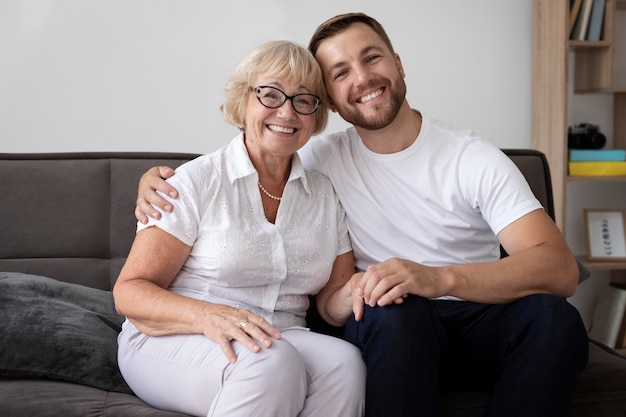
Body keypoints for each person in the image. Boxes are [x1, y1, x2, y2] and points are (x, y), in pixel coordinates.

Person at [134, 13, 589, 417]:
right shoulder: (315, 159)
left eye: (372, 59)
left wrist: (439, 278)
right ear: (330, 99)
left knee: (555, 319)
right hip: (390, 330)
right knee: (397, 311)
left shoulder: (472, 158)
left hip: (472, 322)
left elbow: (559, 268)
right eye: (341, 72)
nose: (363, 78)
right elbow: (249, 154)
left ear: (397, 63)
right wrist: (156, 180)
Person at [113, 40, 366, 417]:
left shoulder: (324, 194)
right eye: (270, 95)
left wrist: (363, 287)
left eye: (303, 100)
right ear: (243, 103)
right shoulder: (195, 181)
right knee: (270, 360)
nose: (287, 111)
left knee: (343, 362)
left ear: (316, 114)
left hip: (280, 334)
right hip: (177, 334)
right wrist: (206, 315)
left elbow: (331, 305)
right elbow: (130, 293)